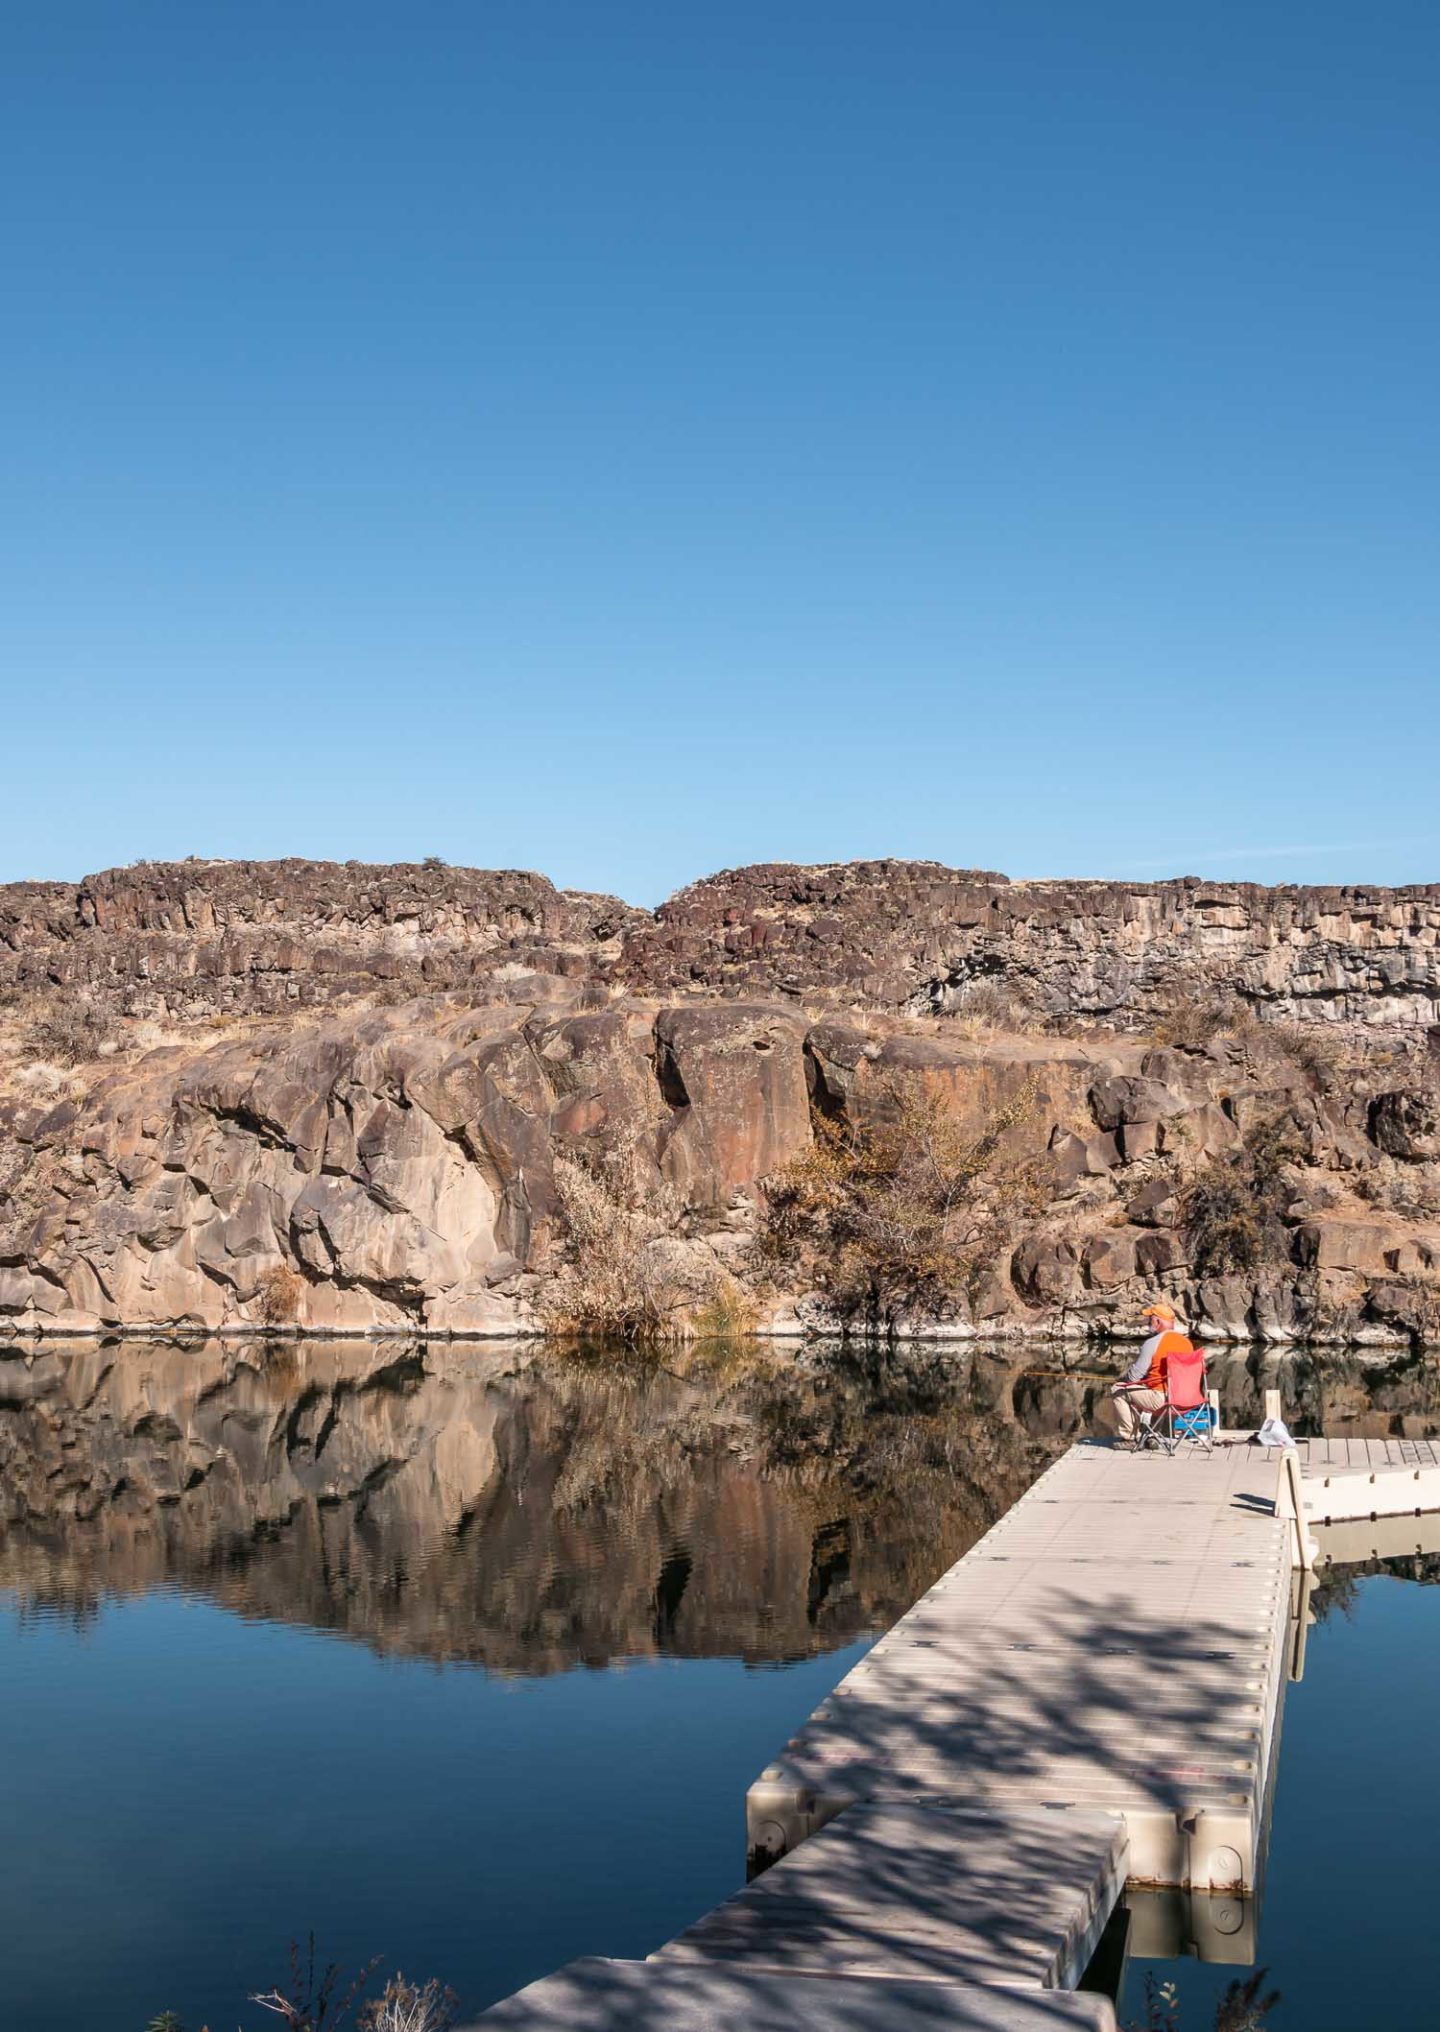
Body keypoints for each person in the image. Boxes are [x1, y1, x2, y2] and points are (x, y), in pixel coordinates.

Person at [1110, 1301, 1194, 1446]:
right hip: (1188, 1400)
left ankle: (1129, 1438)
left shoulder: (1153, 1342)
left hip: (1163, 1400)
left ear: (1157, 1321)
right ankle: (1153, 1435)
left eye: (1150, 1319)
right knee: (1152, 1390)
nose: (1149, 1322)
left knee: (1118, 1390)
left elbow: (1134, 1377)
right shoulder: (1186, 1343)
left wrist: (1121, 1378)